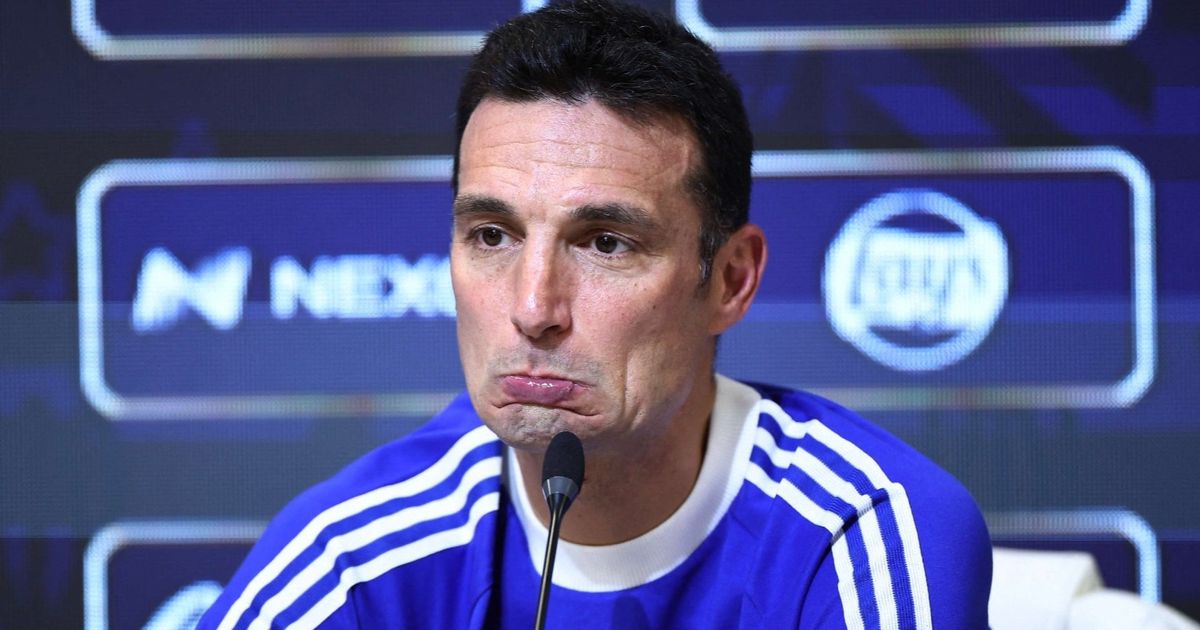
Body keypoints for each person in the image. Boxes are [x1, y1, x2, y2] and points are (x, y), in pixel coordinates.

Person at [199, 1, 992, 628]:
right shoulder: (355, 550)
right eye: (492, 236)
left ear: (731, 280)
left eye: (606, 243)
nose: (533, 309)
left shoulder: (861, 533)